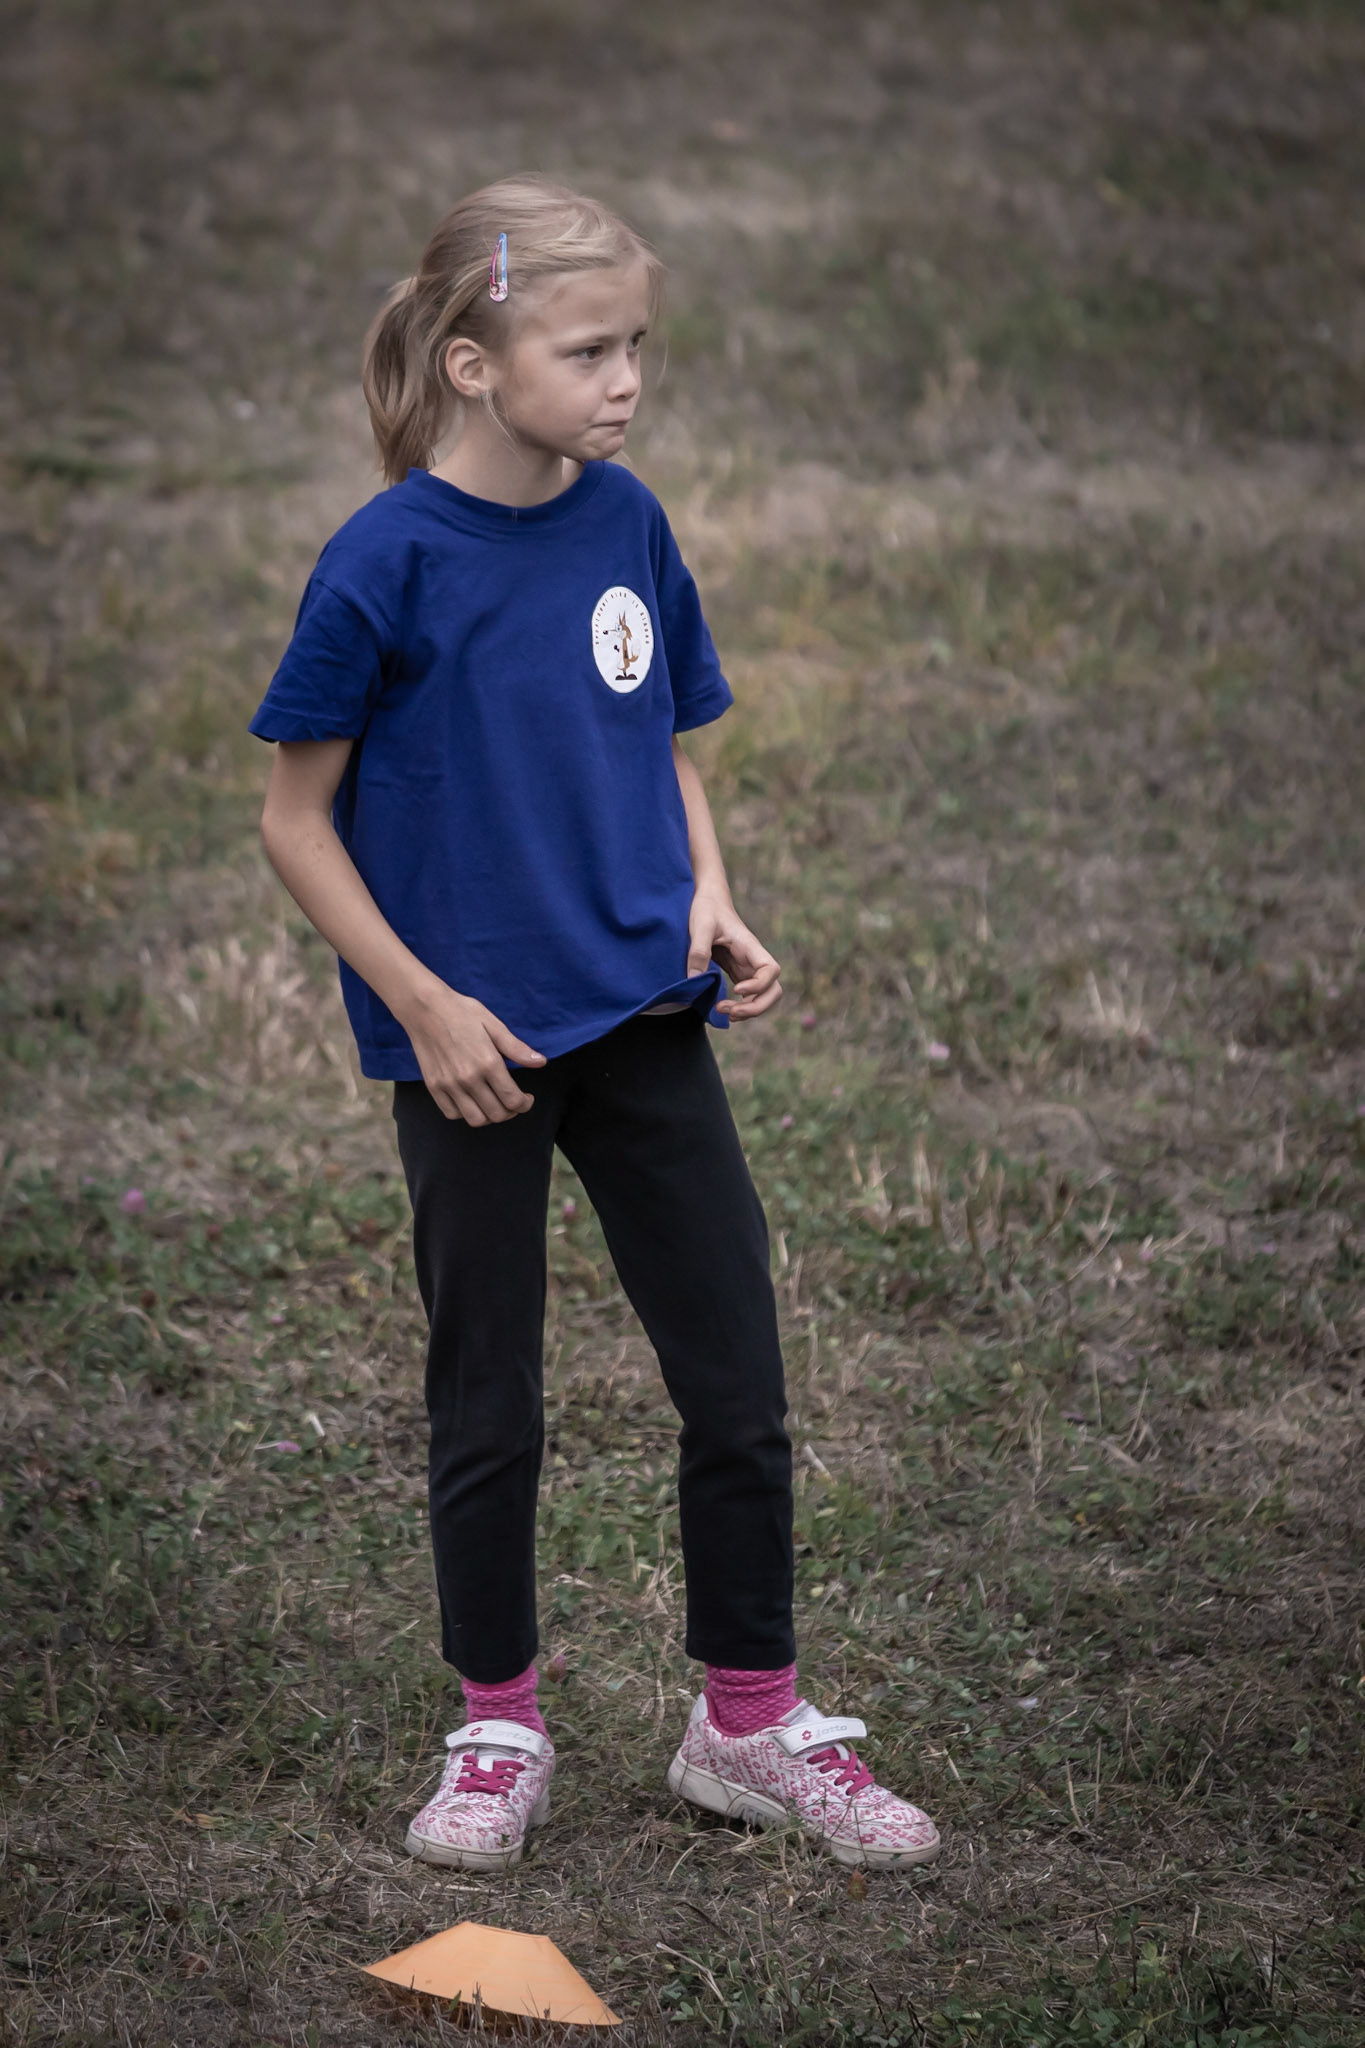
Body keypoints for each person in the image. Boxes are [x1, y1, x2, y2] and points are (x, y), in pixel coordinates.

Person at [248, 175, 940, 1875]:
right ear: (473, 365)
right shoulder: (385, 560)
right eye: (586, 350)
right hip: (475, 1051)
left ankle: (747, 1723)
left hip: (644, 1013)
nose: (625, 379)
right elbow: (294, 820)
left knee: (738, 1379)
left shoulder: (625, 521)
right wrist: (425, 1007)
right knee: (489, 1396)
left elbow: (661, 742)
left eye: (636, 345)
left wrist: (709, 894)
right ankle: (496, 1724)